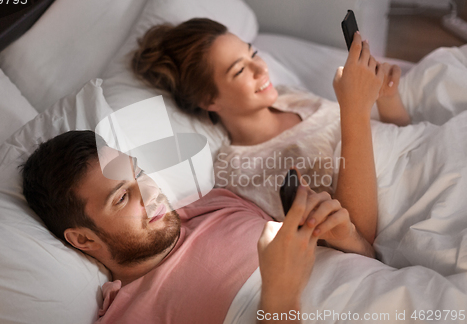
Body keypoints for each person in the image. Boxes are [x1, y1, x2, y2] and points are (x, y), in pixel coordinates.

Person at [21, 130, 375, 324]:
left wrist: (348, 238)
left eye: (141, 175)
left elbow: (368, 262)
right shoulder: (129, 317)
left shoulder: (219, 202)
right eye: (121, 198)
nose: (150, 193)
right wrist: (280, 297)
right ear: (83, 238)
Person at [132, 18, 412, 245]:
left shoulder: (290, 97)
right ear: (209, 100)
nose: (261, 67)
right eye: (239, 70)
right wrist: (355, 110)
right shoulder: (240, 171)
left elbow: (398, 138)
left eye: (252, 53)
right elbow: (357, 235)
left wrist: (387, 98)